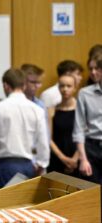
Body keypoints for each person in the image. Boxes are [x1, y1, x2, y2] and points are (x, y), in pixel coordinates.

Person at [0, 68, 49, 188]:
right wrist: (42, 165)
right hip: (28, 165)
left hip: (5, 165)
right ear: (24, 86)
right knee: (24, 205)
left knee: (4, 205)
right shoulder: (37, 110)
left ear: (5, 85)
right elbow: (43, 142)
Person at [73, 55, 102, 184]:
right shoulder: (84, 93)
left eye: (98, 68)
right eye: (91, 68)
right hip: (92, 149)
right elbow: (78, 129)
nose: (93, 72)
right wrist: (83, 159)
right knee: (92, 195)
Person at [48, 74, 79, 175]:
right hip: (57, 158)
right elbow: (49, 138)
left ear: (75, 88)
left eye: (69, 86)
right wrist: (63, 158)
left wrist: (75, 159)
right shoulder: (51, 110)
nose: (65, 89)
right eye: (62, 86)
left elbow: (86, 136)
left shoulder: (81, 109)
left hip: (78, 158)